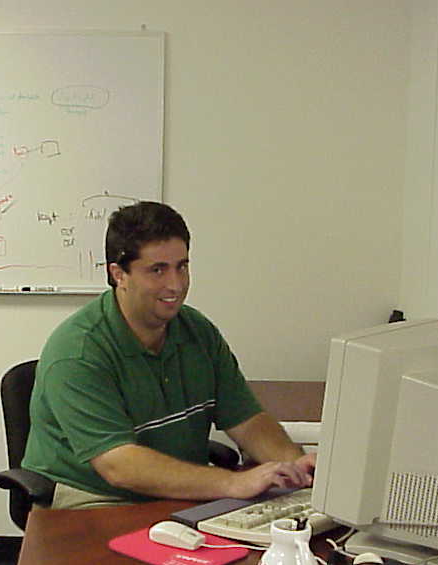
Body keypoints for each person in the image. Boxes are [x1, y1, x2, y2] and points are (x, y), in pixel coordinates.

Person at [21, 201, 316, 510]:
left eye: (182, 266)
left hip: (176, 492)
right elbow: (118, 465)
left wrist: (294, 464)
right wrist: (233, 483)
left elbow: (247, 420)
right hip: (94, 497)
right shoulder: (77, 352)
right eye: (157, 270)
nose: (175, 284)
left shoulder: (197, 332)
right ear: (119, 274)